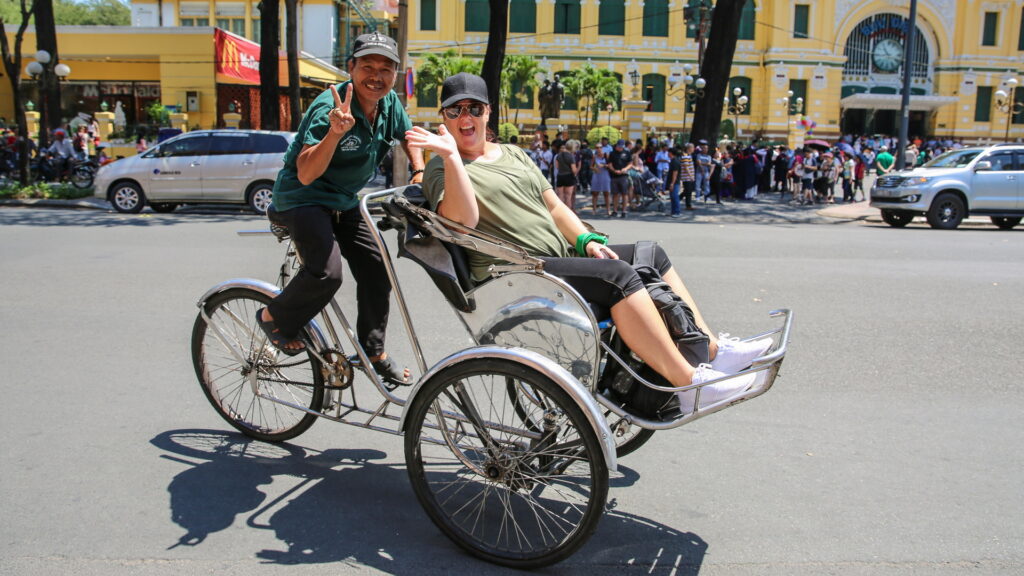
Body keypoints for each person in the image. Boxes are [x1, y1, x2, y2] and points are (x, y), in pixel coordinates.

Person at [405, 73, 771, 405]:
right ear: (444, 117)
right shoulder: (441, 165)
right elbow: (462, 222)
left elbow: (554, 207)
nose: (465, 118)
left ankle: (711, 349)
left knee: (650, 254)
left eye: (474, 108)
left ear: (488, 113)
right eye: (455, 111)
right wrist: (451, 157)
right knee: (619, 277)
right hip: (515, 273)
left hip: (555, 259)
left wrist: (586, 241)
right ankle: (689, 383)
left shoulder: (514, 153)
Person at [257, 32, 424, 386]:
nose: (376, 76)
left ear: (396, 73)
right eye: (367, 66)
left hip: (343, 200)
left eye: (386, 68)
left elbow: (409, 136)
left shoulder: (390, 103)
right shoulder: (328, 108)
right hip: (302, 198)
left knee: (379, 270)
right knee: (326, 273)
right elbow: (305, 174)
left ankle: (372, 351)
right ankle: (274, 316)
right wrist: (335, 133)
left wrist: (419, 170)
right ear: (351, 68)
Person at [607, 139, 632, 218]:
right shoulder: (612, 153)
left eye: (621, 147)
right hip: (614, 176)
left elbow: (630, 164)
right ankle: (615, 210)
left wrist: (625, 169)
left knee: (624, 194)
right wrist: (614, 170)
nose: (620, 148)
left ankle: (624, 211)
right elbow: (609, 164)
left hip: (623, 176)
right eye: (618, 146)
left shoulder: (627, 153)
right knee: (615, 194)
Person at [554, 138, 579, 212]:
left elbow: (557, 166)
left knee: (560, 196)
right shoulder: (571, 156)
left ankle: (560, 213)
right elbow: (574, 170)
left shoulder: (559, 155)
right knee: (568, 197)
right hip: (569, 176)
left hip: (560, 176)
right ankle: (568, 213)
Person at [590, 145, 612, 216]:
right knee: (595, 193)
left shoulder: (606, 155)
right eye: (597, 147)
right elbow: (591, 166)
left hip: (605, 174)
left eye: (600, 147)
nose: (599, 149)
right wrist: (595, 168)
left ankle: (608, 210)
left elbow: (610, 165)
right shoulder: (594, 156)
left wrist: (605, 166)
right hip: (597, 175)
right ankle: (594, 209)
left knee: (606, 193)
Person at [665, 146, 682, 217]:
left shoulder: (675, 161)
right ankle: (673, 212)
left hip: (675, 182)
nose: (667, 154)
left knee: (675, 197)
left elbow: (675, 173)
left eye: (668, 152)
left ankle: (677, 212)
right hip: (673, 181)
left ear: (671, 153)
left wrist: (672, 183)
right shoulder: (673, 160)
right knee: (672, 197)